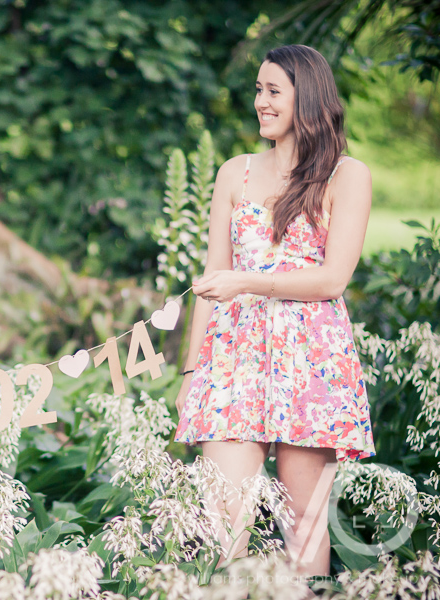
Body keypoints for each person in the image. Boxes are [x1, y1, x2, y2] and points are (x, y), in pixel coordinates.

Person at [173, 44, 375, 577]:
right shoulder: (233, 173)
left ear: (305, 97)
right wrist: (192, 373)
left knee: (303, 532)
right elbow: (211, 278)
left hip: (312, 359)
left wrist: (248, 281)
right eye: (258, 90)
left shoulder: (345, 175)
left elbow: (334, 279)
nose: (260, 102)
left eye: (272, 91)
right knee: (222, 525)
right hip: (233, 356)